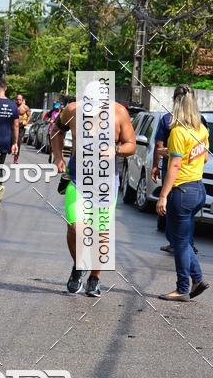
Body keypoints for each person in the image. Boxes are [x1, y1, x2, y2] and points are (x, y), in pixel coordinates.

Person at [51, 95, 136, 297]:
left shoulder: (119, 113)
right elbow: (55, 131)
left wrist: (115, 149)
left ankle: (94, 278)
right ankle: (79, 265)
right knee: (75, 227)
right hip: (78, 180)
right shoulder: (72, 110)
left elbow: (131, 145)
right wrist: (58, 156)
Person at [156, 85, 209, 301]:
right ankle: (197, 279)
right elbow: (203, 158)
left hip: (182, 191)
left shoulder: (178, 131)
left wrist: (162, 195)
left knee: (179, 243)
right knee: (181, 238)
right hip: (198, 189)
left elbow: (175, 166)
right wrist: (173, 150)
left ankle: (182, 288)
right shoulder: (201, 130)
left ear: (176, 105)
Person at [152, 95, 203, 255]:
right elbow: (204, 154)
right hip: (197, 181)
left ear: (174, 100)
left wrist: (157, 164)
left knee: (170, 210)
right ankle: (186, 243)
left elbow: (160, 145)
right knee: (187, 216)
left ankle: (178, 243)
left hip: (177, 177)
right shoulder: (200, 123)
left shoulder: (169, 121)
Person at [14, 93, 31, 163]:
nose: (18, 101)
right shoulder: (13, 106)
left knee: (18, 142)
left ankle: (16, 158)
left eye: (20, 100)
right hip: (13, 126)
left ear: (22, 100)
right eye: (17, 99)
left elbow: (30, 116)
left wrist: (27, 122)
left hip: (21, 127)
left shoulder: (25, 107)